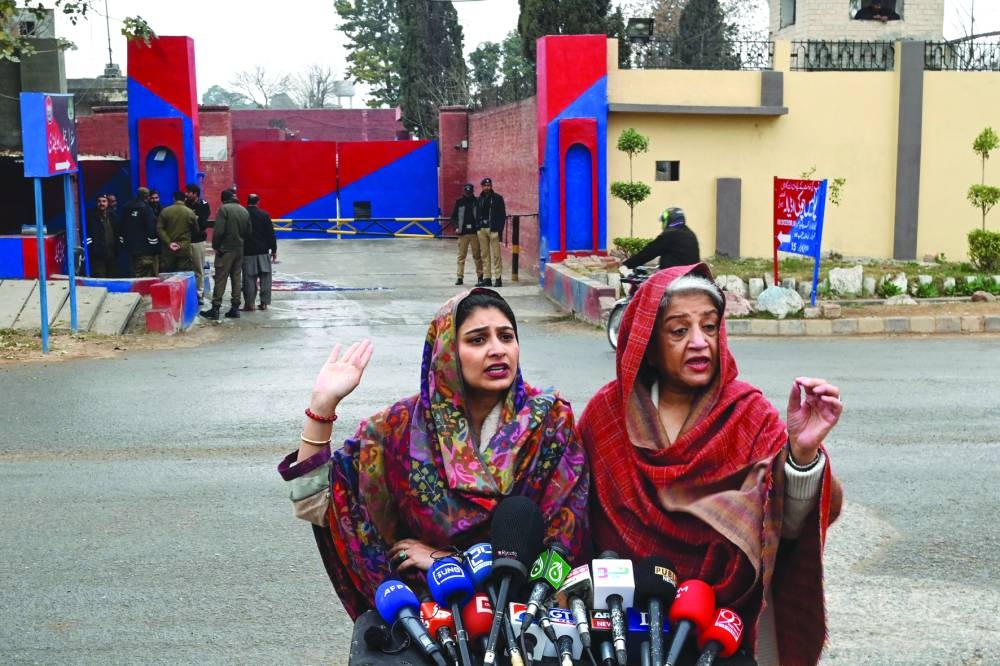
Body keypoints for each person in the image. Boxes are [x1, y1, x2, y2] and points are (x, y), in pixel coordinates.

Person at [578, 263, 843, 666]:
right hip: (620, 629)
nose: (700, 342)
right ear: (648, 345)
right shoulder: (607, 415)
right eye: (679, 331)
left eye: (709, 326)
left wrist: (802, 456)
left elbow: (785, 529)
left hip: (717, 630)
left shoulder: (748, 415)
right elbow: (576, 518)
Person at [277, 289, 589, 619]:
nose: (498, 349)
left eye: (506, 337)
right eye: (477, 340)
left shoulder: (550, 421)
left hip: (525, 616)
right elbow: (319, 503)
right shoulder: (397, 429)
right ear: (446, 352)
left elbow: (566, 537)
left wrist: (450, 562)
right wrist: (322, 406)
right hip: (429, 616)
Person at [200, 189, 250, 321]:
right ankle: (235, 308)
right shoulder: (244, 210)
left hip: (226, 250)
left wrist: (216, 246)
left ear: (223, 199)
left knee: (220, 278)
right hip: (239, 249)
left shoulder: (224, 209)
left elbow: (219, 231)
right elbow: (249, 231)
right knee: (236, 278)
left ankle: (215, 308)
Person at [622, 206, 701, 272]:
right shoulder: (690, 234)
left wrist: (627, 265)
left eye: (663, 221)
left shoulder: (670, 234)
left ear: (668, 220)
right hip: (691, 276)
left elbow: (649, 252)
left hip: (674, 277)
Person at [241, 193, 277, 312]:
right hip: (263, 252)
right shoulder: (264, 215)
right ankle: (264, 303)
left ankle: (249, 304)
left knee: (249, 280)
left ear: (247, 201)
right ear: (258, 202)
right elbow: (270, 233)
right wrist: (274, 250)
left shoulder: (243, 214)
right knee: (265, 278)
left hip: (247, 252)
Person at [116, 186, 160, 278]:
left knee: (134, 271)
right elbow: (150, 229)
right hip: (145, 249)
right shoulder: (147, 209)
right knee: (144, 274)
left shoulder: (127, 207)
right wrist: (155, 247)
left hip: (131, 248)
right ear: (147, 197)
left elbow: (122, 225)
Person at [156, 190, 198, 273]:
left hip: (168, 249)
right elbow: (196, 230)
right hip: (184, 248)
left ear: (173, 199)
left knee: (168, 273)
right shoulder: (190, 212)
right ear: (184, 199)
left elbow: (159, 228)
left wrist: (169, 242)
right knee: (182, 274)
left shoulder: (165, 211)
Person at [476, 177, 506, 287]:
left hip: (493, 230)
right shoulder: (479, 199)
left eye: (488, 185)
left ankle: (498, 278)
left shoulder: (498, 198)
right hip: (482, 230)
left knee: (496, 255)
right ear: (482, 187)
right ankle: (487, 278)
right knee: (485, 255)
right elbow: (476, 214)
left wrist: (499, 230)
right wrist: (477, 227)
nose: (487, 187)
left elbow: (502, 215)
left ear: (491, 186)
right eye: (485, 186)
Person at [451, 183, 484, 286]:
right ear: (464, 191)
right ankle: (459, 277)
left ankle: (480, 277)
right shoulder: (459, 202)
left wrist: (480, 226)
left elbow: (481, 215)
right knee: (461, 256)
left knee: (477, 256)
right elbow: (454, 217)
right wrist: (456, 227)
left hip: (475, 233)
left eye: (469, 192)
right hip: (463, 233)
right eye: (466, 191)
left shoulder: (477, 201)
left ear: (472, 191)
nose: (468, 193)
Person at [185, 184, 212, 304]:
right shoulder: (185, 203)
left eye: (189, 192)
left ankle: (199, 294)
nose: (186, 194)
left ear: (195, 194)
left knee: (198, 268)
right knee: (186, 268)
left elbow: (202, 222)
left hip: (198, 241)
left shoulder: (203, 204)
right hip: (186, 240)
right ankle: (188, 294)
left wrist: (193, 219)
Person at [85, 194, 116, 278]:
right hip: (97, 255)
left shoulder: (113, 216)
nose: (101, 203)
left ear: (108, 203)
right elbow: (86, 233)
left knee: (112, 278)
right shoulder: (91, 216)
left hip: (112, 254)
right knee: (100, 278)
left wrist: (118, 248)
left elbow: (118, 232)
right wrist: (92, 248)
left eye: (104, 201)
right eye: (99, 201)